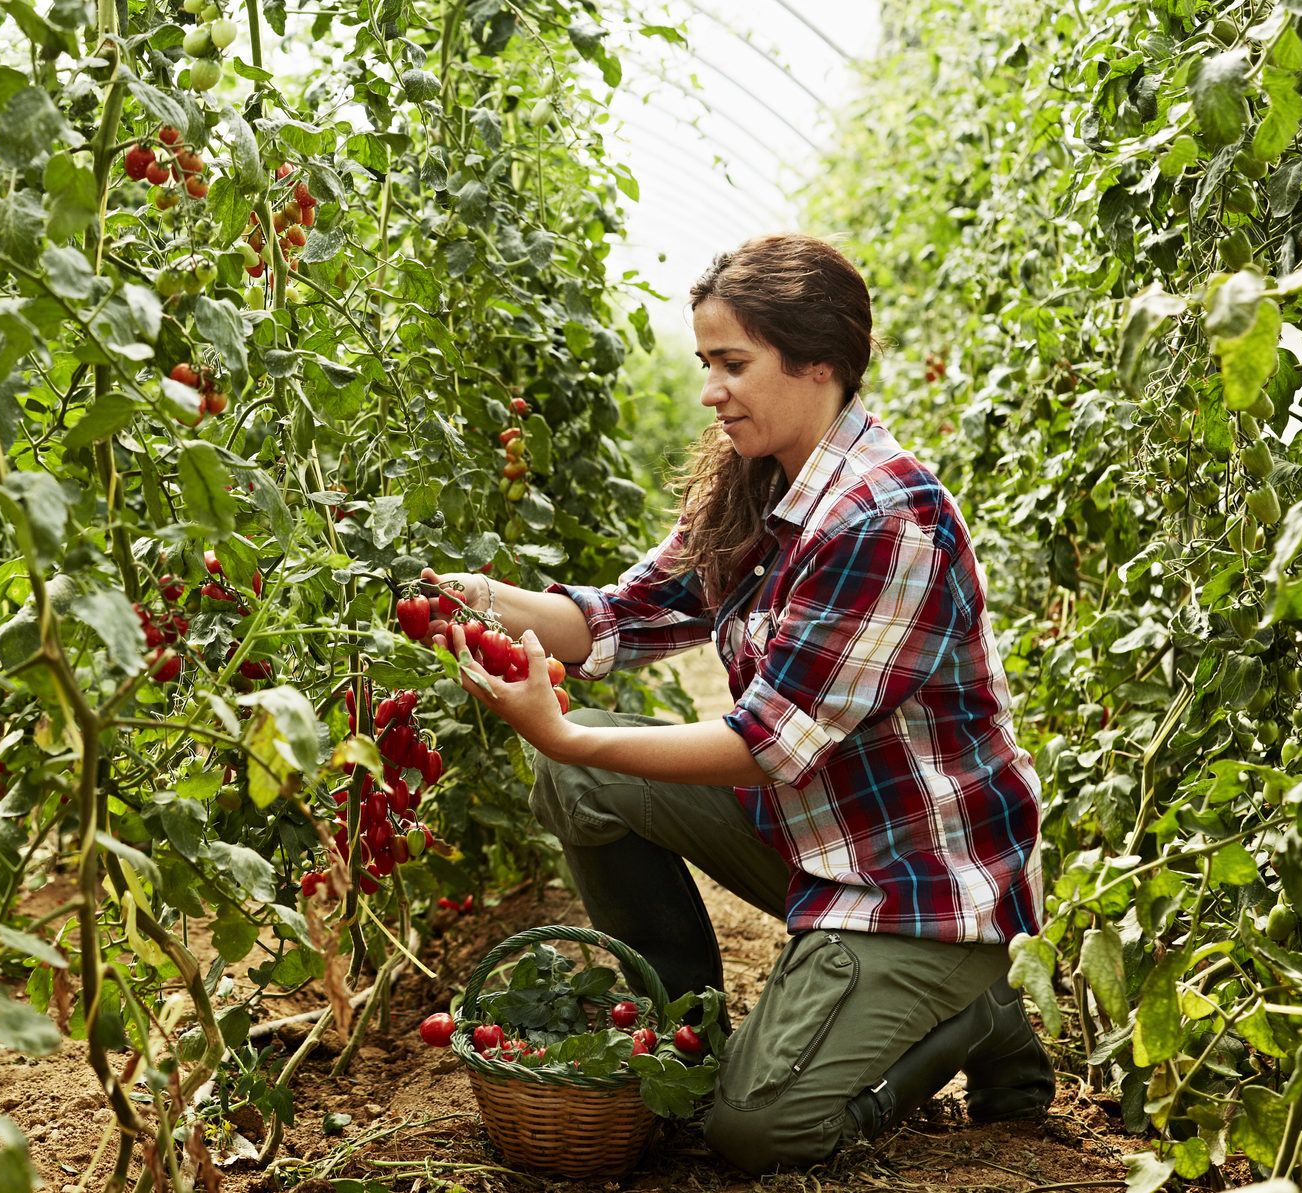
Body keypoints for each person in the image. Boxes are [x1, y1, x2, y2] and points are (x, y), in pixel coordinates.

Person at [424, 233, 1054, 1175]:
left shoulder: (883, 519)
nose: (711, 390)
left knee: (758, 1132)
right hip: (817, 839)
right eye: (704, 364)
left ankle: (976, 1009)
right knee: (574, 779)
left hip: (916, 883)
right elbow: (622, 614)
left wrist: (571, 732)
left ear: (820, 363)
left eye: (732, 364)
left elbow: (762, 744)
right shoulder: (754, 479)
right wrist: (473, 600)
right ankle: (685, 1024)